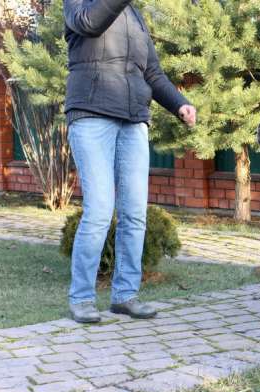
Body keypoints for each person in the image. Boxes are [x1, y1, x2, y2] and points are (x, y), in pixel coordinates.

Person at [63, 0, 196, 323]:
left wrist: (180, 104)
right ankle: (81, 299)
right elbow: (89, 23)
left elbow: (151, 71)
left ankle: (125, 296)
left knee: (135, 213)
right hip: (92, 115)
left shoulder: (135, 17)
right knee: (99, 210)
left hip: (134, 119)